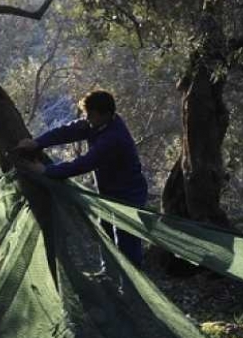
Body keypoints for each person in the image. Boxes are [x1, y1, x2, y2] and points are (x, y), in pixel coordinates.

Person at [14, 90, 148, 267]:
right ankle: (109, 275)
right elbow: (67, 132)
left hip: (129, 195)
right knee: (106, 234)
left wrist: (46, 171)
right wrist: (38, 142)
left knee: (127, 241)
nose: (87, 119)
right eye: (87, 114)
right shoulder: (97, 123)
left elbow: (83, 164)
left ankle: (133, 288)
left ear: (106, 114)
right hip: (108, 192)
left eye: (91, 115)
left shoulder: (114, 138)